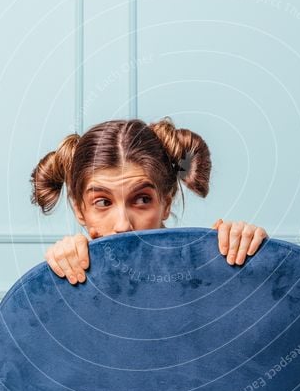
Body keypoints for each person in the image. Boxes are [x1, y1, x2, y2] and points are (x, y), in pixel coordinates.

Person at [30, 116, 268, 284]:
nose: (123, 225)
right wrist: (58, 281)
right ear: (79, 210)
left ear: (166, 201)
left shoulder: (209, 266)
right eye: (102, 202)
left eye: (142, 199)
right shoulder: (70, 277)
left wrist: (255, 256)